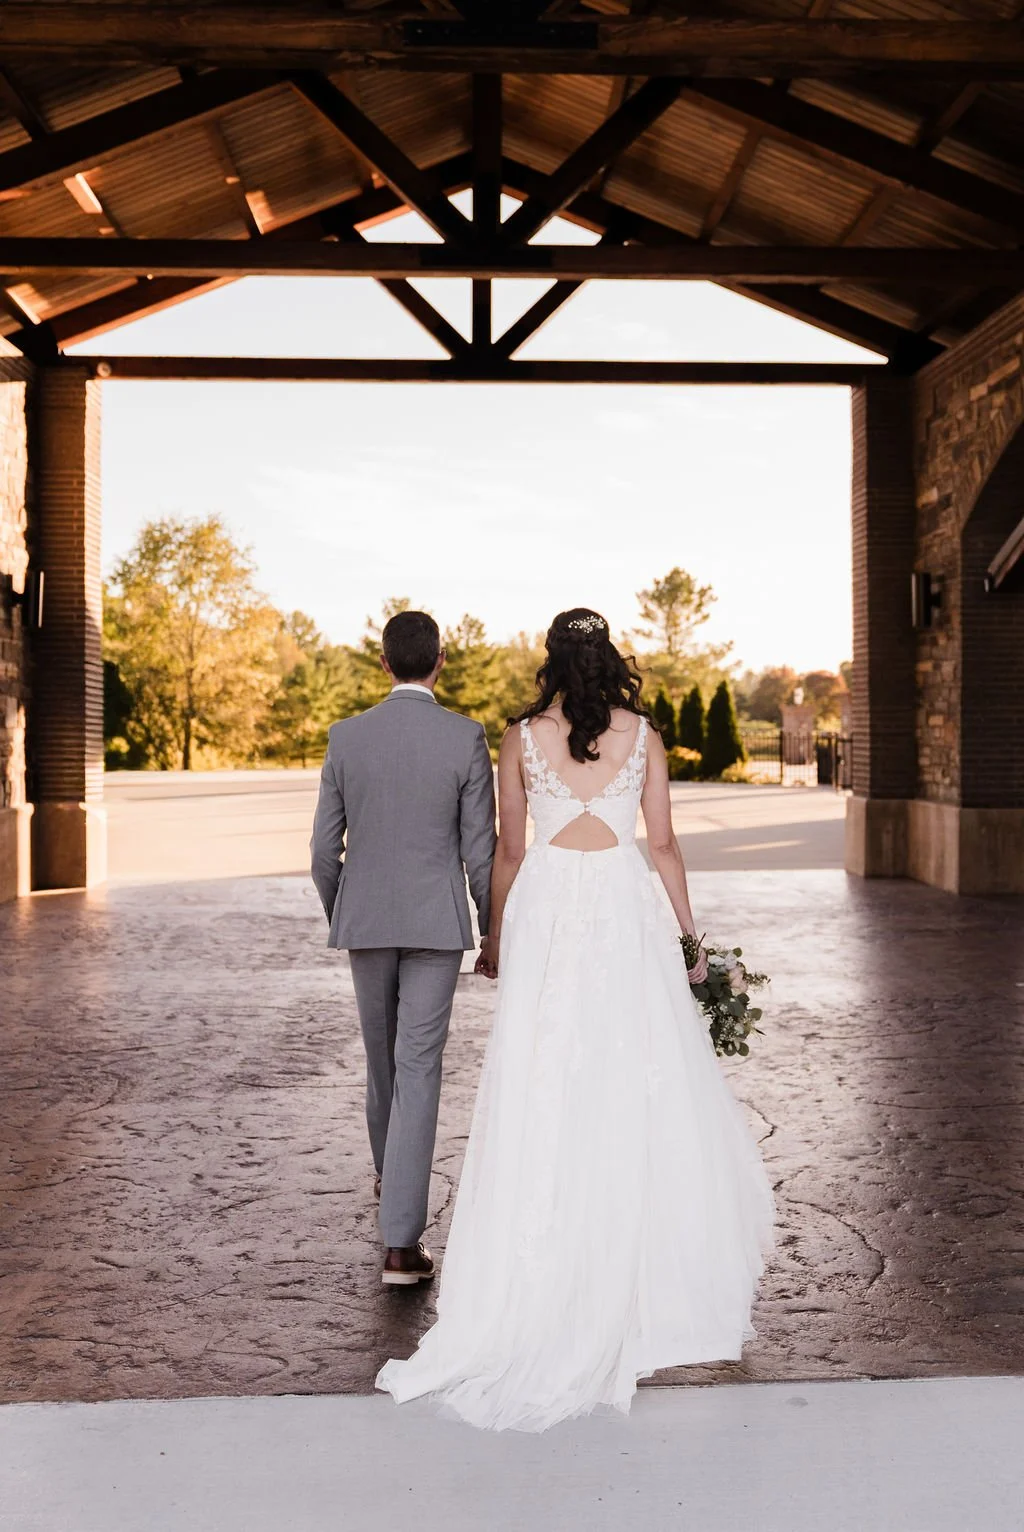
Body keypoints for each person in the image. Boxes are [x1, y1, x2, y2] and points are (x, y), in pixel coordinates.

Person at [376, 607, 774, 1431]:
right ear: (612, 661)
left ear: (552, 660)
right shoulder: (646, 735)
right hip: (624, 910)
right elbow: (663, 846)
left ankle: (543, 1276)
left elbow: (510, 849)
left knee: (544, 1077)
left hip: (552, 909)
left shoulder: (520, 739)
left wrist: (495, 937)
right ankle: (643, 1276)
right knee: (634, 1079)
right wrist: (689, 938)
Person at [310, 610, 496, 1287]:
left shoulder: (345, 737)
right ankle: (400, 1244)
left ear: (383, 664)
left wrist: (346, 910)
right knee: (418, 1066)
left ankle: (393, 1185)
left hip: (367, 920)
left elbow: (322, 852)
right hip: (436, 928)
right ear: (440, 661)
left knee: (382, 1062)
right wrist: (489, 927)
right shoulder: (465, 738)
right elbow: (481, 850)